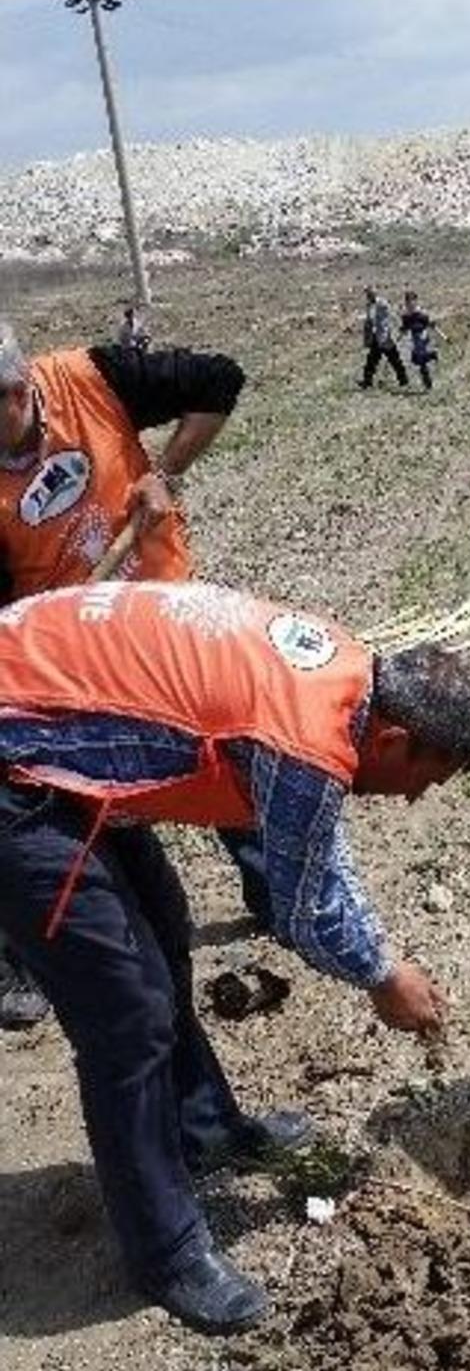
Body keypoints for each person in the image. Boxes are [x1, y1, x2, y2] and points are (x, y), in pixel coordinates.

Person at [0, 578, 470, 1331]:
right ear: (393, 741)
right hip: (18, 766)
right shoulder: (304, 737)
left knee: (162, 927)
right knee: (126, 1013)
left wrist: (381, 957)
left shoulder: (347, 678)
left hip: (61, 730)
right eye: (425, 780)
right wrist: (383, 975)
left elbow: (317, 848)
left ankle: (204, 1129)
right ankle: (166, 1253)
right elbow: (303, 906)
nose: (415, 799)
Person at [0, 320, 249, 1028]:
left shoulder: (93, 377)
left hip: (163, 612)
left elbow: (219, 381)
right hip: (70, 656)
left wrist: (161, 474)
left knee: (219, 744)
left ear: (18, 393)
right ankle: (26, 953)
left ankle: (274, 894)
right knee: (63, 804)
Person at [360, 288, 408, 389]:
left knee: (395, 360)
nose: (368, 297)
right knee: (371, 361)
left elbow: (392, 315)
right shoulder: (369, 305)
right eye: (367, 295)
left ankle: (403, 380)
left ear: (374, 294)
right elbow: (369, 321)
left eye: (370, 294)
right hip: (376, 338)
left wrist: (399, 327)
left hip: (386, 337)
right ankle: (367, 382)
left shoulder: (382, 304)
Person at [400, 289, 440, 391]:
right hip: (415, 338)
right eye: (408, 301)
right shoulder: (406, 316)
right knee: (416, 360)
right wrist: (401, 333)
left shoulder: (421, 313)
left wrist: (441, 334)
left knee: (421, 360)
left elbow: (430, 324)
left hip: (422, 336)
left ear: (415, 301)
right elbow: (405, 327)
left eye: (411, 301)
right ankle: (432, 356)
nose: (410, 303)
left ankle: (428, 384)